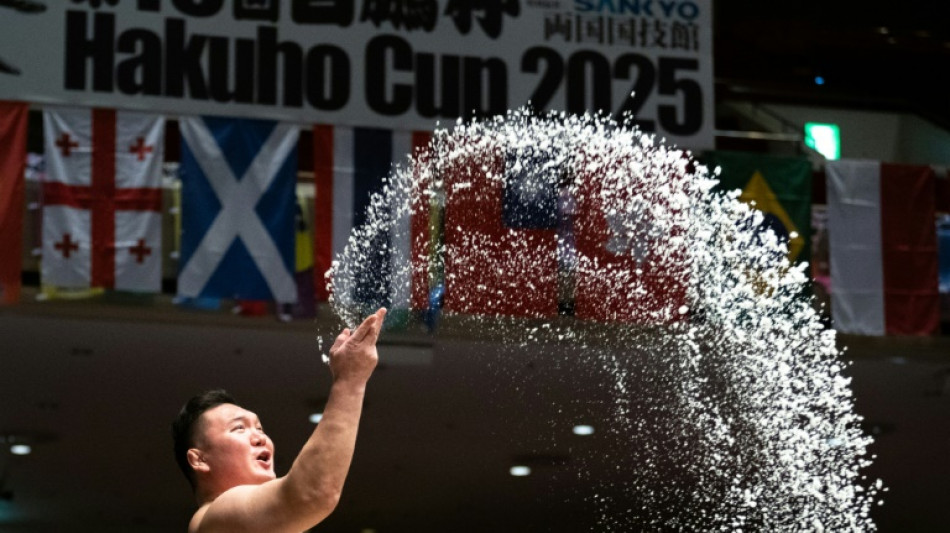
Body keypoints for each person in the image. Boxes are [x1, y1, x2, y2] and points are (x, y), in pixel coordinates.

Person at [172, 308, 386, 533]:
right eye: (238, 428)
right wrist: (350, 379)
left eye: (260, 428)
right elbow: (312, 494)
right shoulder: (212, 515)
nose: (259, 437)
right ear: (199, 460)